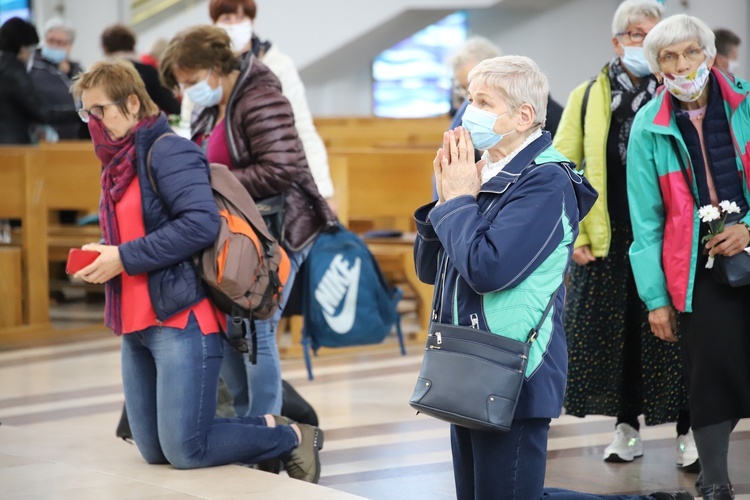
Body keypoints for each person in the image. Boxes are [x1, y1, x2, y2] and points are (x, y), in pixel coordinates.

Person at [413, 54, 692, 500]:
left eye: (483, 101)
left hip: (514, 367)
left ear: (524, 115)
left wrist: (459, 201)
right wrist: (444, 200)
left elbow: (488, 269)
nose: (469, 112)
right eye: (469, 99)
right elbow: (431, 270)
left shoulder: (547, 181)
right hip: (463, 362)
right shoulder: (478, 173)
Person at [69, 58, 323, 481]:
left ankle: (291, 436)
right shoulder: (117, 162)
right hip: (136, 319)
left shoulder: (169, 150)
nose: (92, 121)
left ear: (132, 103)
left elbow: (199, 224)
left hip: (180, 317)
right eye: (85, 112)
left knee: (186, 449)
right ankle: (272, 429)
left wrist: (124, 257)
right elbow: (136, 230)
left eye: (99, 110)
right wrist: (105, 256)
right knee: (153, 449)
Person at [160, 26, 337, 420]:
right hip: (240, 230)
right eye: (182, 84)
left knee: (259, 324)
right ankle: (245, 421)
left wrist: (211, 181)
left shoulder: (260, 97)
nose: (188, 91)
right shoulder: (212, 106)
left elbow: (282, 168)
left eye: (191, 80)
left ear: (216, 66)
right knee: (227, 324)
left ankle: (267, 426)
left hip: (282, 227)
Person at [553, 0, 696, 469]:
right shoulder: (588, 95)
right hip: (608, 237)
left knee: (675, 335)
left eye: (653, 36)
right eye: (636, 35)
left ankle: (687, 428)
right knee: (616, 341)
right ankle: (625, 427)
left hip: (667, 235)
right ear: (618, 42)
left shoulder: (678, 90)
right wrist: (573, 234)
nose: (645, 44)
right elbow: (559, 167)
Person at [629, 13, 750, 500]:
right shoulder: (648, 125)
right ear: (657, 66)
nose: (682, 65)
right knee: (710, 371)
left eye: (690, 53)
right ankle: (716, 481)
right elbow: (646, 221)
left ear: (709, 54)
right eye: (669, 57)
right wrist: (656, 298)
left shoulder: (745, 105)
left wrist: (748, 229)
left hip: (745, 239)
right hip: (697, 271)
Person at [185, 0, 337, 214]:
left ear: (252, 22)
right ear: (214, 23)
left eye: (241, 18)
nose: (234, 25)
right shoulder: (203, 71)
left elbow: (302, 130)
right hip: (216, 201)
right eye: (227, 19)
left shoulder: (277, 64)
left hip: (264, 197)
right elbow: (188, 127)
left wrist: (324, 191)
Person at [0, 17, 70, 144]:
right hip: (13, 147)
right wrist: (80, 114)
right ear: (22, 49)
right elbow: (41, 112)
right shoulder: (15, 72)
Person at [100, 24, 180, 116]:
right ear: (132, 44)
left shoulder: (100, 79)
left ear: (104, 49)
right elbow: (173, 107)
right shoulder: (149, 72)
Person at [29, 17, 86, 140]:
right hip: (47, 139)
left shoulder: (78, 71)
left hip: (77, 138)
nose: (54, 45)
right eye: (51, 41)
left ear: (69, 45)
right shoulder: (33, 69)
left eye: (60, 42)